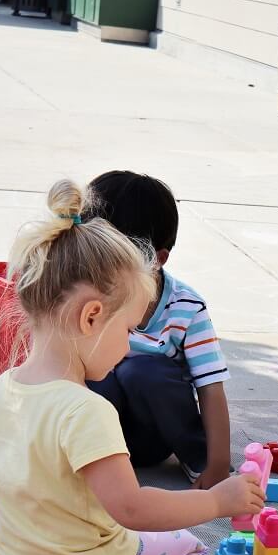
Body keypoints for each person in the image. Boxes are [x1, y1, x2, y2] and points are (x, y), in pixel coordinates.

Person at [0, 179, 264, 555]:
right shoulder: (85, 412)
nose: (129, 346)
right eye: (126, 328)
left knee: (20, 513)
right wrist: (215, 501)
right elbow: (132, 508)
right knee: (194, 553)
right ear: (91, 317)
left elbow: (5, 482)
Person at [83, 170, 233, 489]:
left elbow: (211, 387)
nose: (99, 269)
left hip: (152, 438)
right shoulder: (83, 295)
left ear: (156, 260)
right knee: (95, 376)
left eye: (114, 258)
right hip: (97, 440)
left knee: (141, 370)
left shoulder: (186, 307)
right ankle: (82, 462)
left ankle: (197, 461)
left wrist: (217, 464)